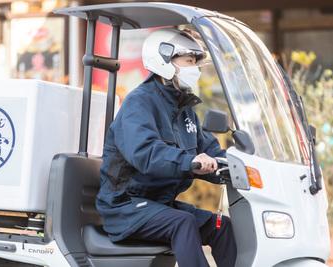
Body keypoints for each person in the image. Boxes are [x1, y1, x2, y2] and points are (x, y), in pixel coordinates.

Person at [96, 28, 237, 267]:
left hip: (158, 204)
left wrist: (238, 165)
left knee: (222, 227)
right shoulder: (139, 103)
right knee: (183, 222)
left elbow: (209, 150)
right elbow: (146, 154)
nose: (195, 68)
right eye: (189, 61)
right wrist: (190, 162)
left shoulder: (185, 110)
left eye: (195, 62)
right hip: (126, 206)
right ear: (163, 60)